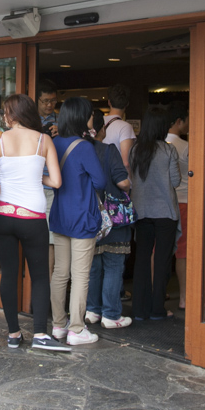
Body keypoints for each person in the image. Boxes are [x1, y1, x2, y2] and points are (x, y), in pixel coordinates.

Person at [0, 93, 65, 351]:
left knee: (9, 273)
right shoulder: (44, 140)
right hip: (32, 217)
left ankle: (14, 334)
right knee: (39, 276)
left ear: (11, 115)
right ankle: (40, 334)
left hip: (2, 216)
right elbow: (57, 182)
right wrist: (35, 178)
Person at [49, 97, 108, 346]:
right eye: (90, 114)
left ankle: (58, 325)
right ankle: (76, 328)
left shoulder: (54, 143)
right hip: (82, 217)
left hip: (60, 215)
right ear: (81, 117)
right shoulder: (84, 147)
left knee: (60, 273)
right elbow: (101, 182)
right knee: (80, 275)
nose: (92, 117)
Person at [130, 107, 181, 321]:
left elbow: (133, 179)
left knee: (141, 260)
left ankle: (139, 310)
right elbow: (176, 181)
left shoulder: (135, 150)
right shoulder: (168, 150)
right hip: (165, 212)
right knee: (161, 262)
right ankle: (157, 309)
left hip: (141, 210)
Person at [85, 110, 134, 330]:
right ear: (101, 129)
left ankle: (92, 311)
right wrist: (128, 184)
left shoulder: (77, 149)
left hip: (88, 215)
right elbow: (122, 182)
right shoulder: (108, 150)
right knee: (114, 264)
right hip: (111, 216)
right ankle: (111, 315)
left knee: (93, 266)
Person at [165, 102, 189, 310]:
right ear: (179, 121)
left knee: (159, 249)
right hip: (184, 200)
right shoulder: (185, 146)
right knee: (183, 252)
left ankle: (158, 291)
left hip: (164, 203)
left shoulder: (158, 144)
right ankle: (184, 297)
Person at [36, 79, 60, 278]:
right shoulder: (29, 122)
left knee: (50, 238)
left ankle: (48, 282)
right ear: (37, 101)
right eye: (44, 101)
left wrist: (61, 133)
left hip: (52, 185)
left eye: (52, 101)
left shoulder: (62, 122)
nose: (49, 105)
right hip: (32, 184)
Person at [103, 84, 135, 167]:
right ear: (127, 104)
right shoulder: (125, 127)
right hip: (118, 178)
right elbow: (126, 162)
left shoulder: (98, 122)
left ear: (109, 102)